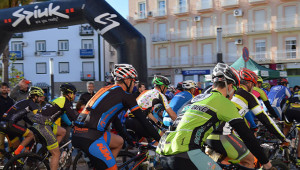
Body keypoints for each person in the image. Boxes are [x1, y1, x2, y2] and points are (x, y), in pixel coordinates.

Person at [156, 63, 274, 170]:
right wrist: (266, 163)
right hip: (185, 153)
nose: (234, 94)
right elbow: (247, 136)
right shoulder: (223, 102)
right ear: (229, 85)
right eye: (235, 89)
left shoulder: (197, 99)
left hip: (164, 151)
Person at [72, 64, 161, 170]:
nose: (134, 85)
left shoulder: (105, 89)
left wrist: (128, 139)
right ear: (127, 80)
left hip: (78, 133)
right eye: (134, 81)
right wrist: (160, 140)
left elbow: (115, 119)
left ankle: (104, 165)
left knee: (119, 141)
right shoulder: (126, 96)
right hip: (91, 137)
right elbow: (143, 121)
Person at [32, 83, 79, 170]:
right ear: (69, 93)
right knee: (56, 153)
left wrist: (70, 125)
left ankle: (51, 150)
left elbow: (63, 115)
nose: (75, 95)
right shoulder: (65, 101)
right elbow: (74, 117)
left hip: (38, 124)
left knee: (62, 131)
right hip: (43, 126)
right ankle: (53, 152)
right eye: (74, 93)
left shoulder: (60, 100)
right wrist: (83, 123)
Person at [0, 87, 44, 155]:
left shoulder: (24, 102)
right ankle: (16, 153)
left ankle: (14, 161)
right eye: (40, 97)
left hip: (3, 124)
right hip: (10, 124)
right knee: (30, 134)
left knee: (16, 145)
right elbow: (39, 116)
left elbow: (25, 118)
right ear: (35, 96)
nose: (41, 99)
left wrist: (33, 124)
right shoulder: (31, 102)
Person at [282, 89, 300, 166]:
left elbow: (286, 103)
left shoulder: (295, 92)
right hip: (299, 111)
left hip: (289, 110)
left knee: (286, 128)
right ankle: (299, 158)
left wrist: (283, 117)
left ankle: (281, 146)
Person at [0, 82, 15, 159]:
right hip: (0, 125)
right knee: (1, 143)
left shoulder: (11, 100)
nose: (4, 89)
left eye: (5, 88)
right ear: (0, 89)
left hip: (9, 124)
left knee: (12, 143)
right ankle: (1, 158)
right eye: (2, 88)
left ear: (8, 89)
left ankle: (12, 158)